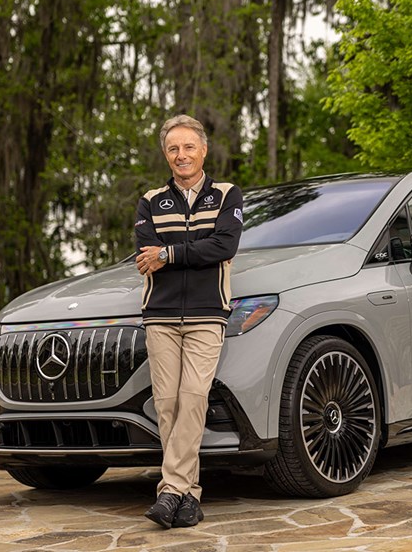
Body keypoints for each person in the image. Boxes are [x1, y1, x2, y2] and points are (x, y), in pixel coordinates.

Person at [134, 114, 243, 528]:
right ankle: (188, 496)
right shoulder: (150, 200)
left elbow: (224, 245)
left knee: (194, 397)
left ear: (204, 150)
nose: (182, 155)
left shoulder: (228, 195)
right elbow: (146, 254)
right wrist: (173, 253)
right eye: (173, 149)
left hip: (206, 314)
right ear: (166, 155)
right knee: (168, 405)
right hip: (159, 315)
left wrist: (170, 254)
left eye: (188, 147)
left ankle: (168, 491)